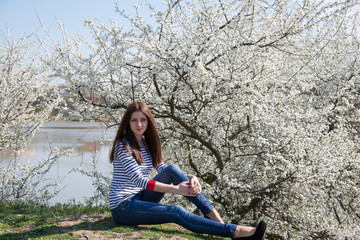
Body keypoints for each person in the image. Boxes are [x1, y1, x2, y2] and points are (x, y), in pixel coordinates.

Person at [109, 102, 267, 239]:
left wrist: (192, 178)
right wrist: (176, 190)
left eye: (143, 120)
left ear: (149, 121)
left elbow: (163, 169)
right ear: (127, 123)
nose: (139, 125)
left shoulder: (146, 142)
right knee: (175, 211)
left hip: (140, 198)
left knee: (172, 169)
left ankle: (215, 218)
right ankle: (234, 231)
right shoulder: (123, 146)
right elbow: (139, 180)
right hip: (123, 208)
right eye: (134, 120)